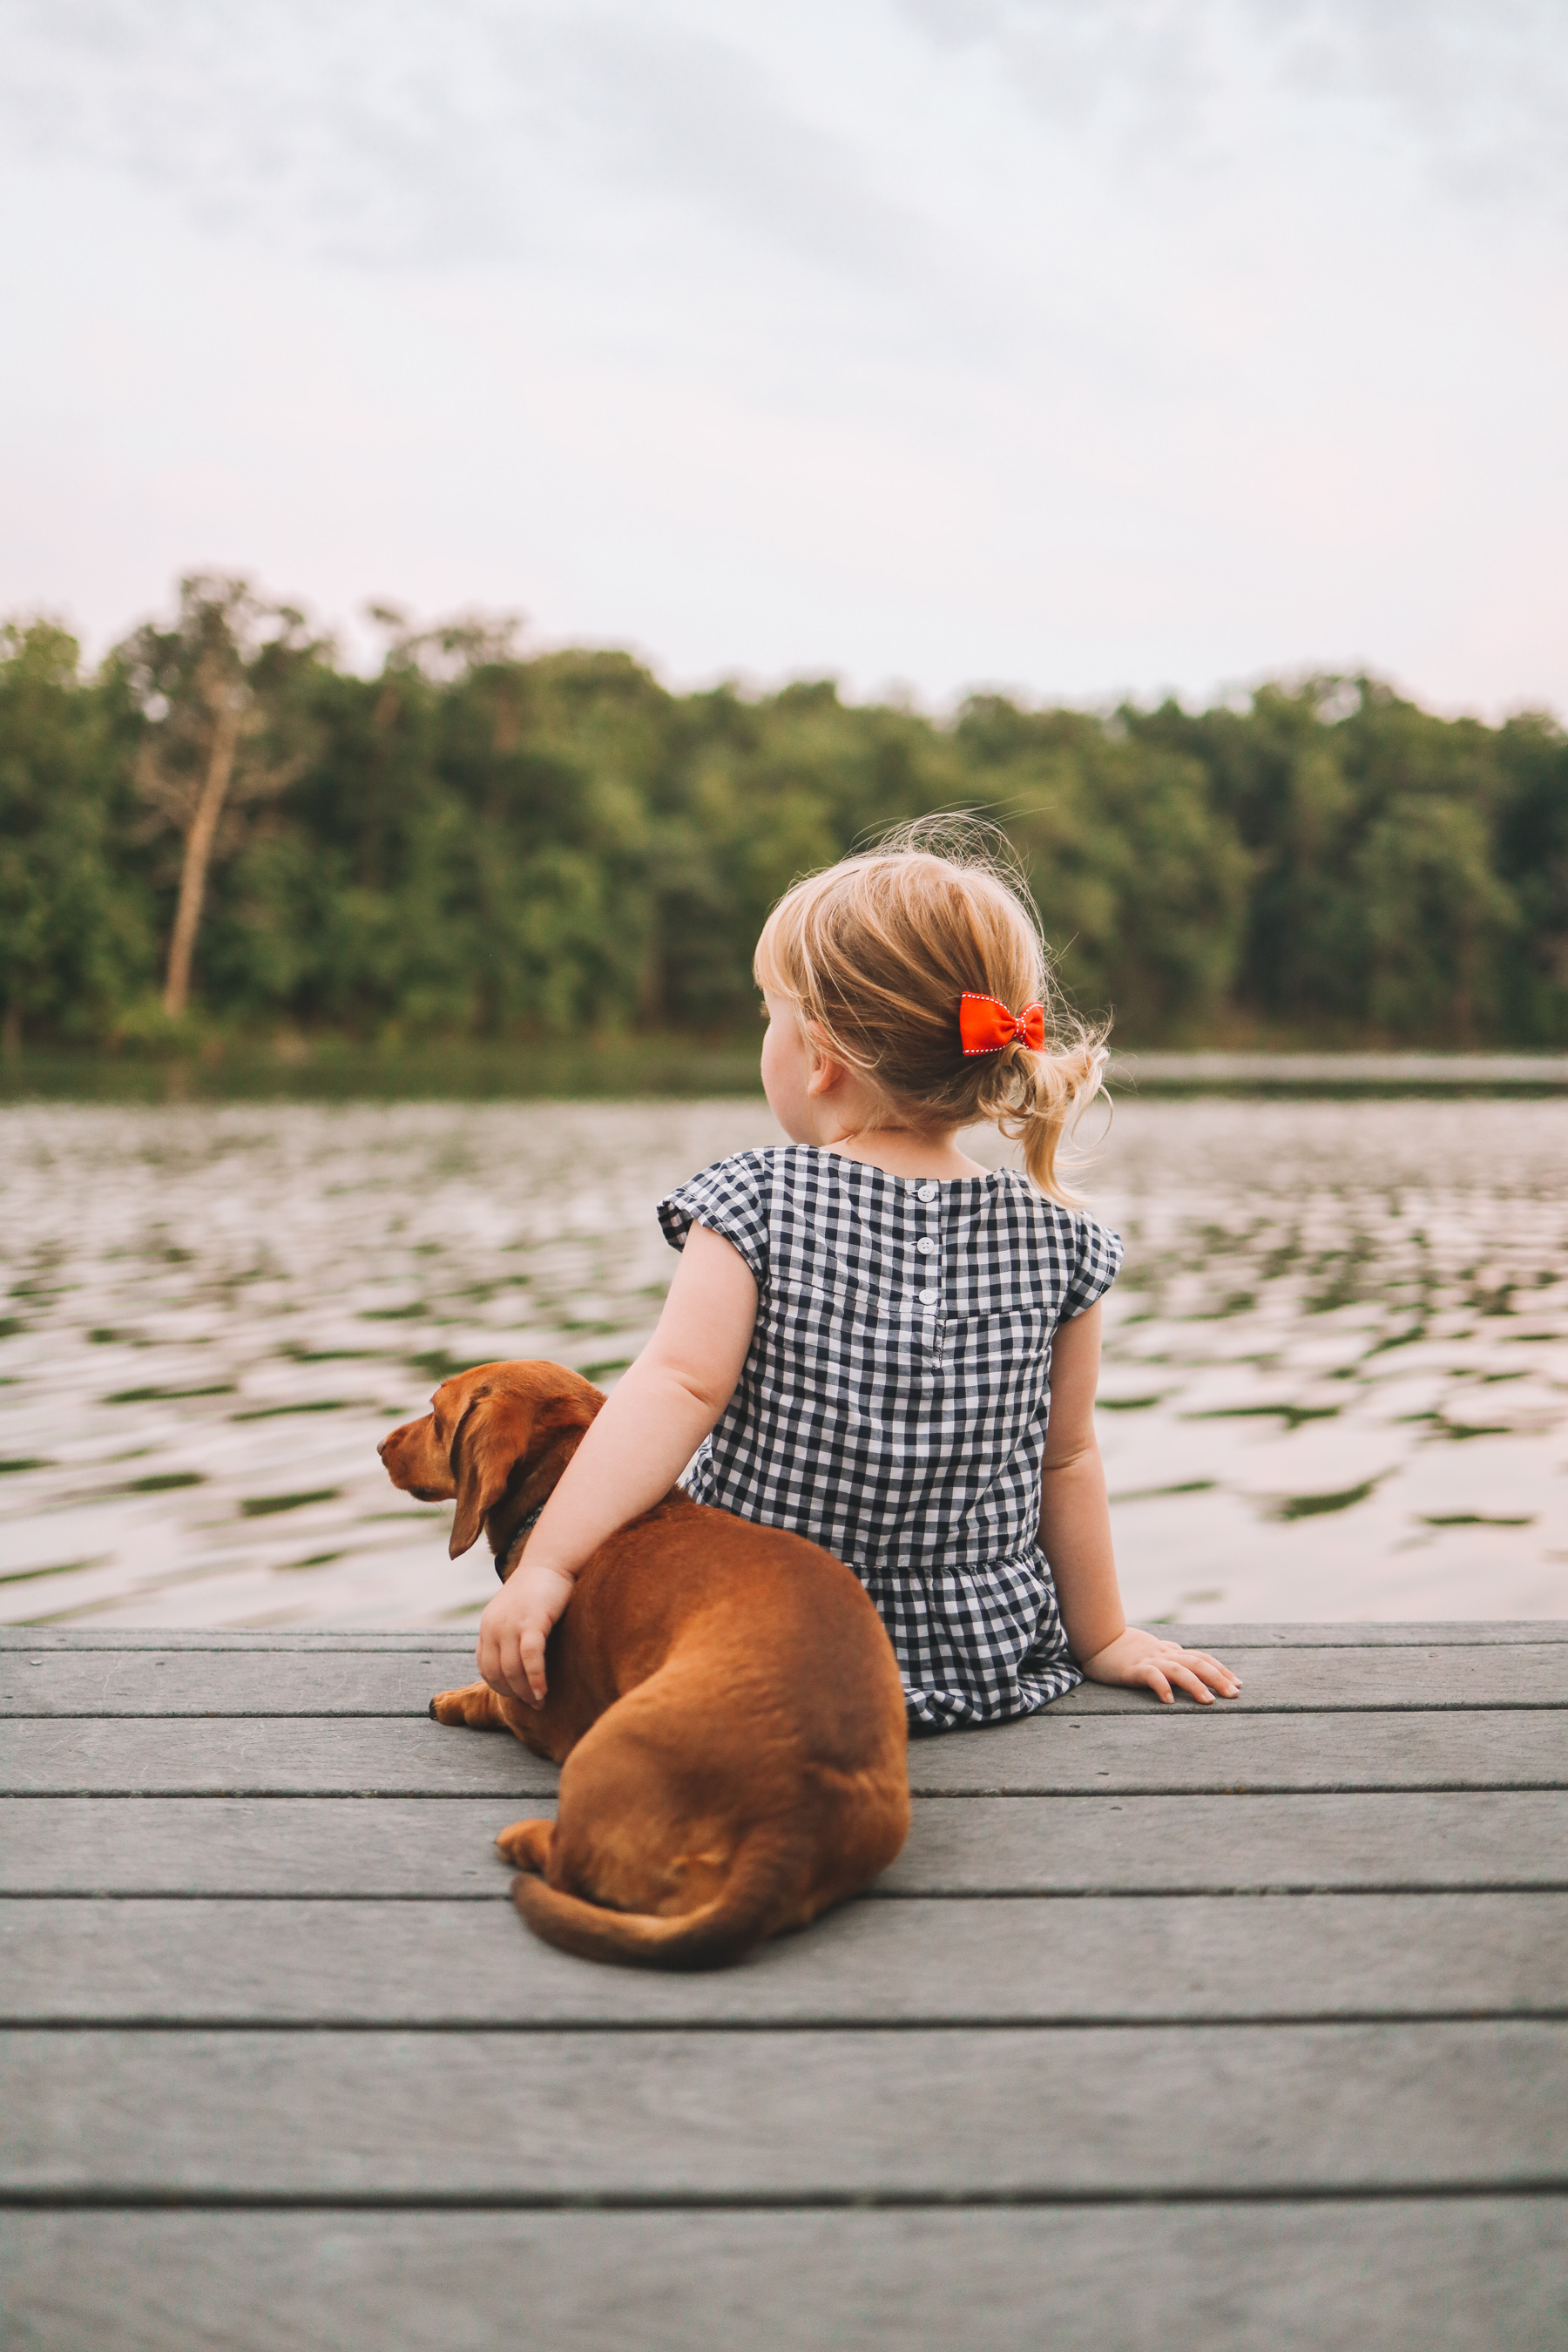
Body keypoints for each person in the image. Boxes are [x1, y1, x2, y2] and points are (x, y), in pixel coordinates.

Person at [476, 825, 1239, 1725]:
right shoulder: (1060, 1240)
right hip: (978, 1658)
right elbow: (1066, 1457)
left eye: (771, 1015)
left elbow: (674, 1391)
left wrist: (550, 1564)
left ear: (822, 1053)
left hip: (764, 1637)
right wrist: (1104, 1638)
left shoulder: (753, 1202)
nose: (766, 1040)